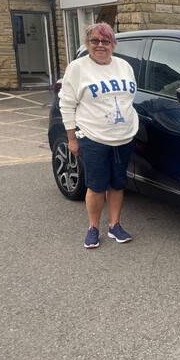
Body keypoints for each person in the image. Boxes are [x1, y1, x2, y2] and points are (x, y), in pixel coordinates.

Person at [59, 22, 139, 249]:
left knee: (117, 183)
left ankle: (115, 226)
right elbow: (67, 104)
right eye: (95, 41)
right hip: (93, 137)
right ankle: (93, 228)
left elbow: (129, 98)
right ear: (87, 43)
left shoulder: (124, 66)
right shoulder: (78, 68)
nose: (100, 45)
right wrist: (72, 138)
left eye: (106, 41)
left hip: (123, 137)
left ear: (113, 44)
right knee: (96, 185)